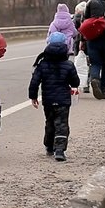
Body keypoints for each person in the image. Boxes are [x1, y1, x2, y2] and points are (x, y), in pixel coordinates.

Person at [28, 32, 80, 162]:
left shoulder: (42, 64)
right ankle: (60, 150)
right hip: (63, 101)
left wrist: (33, 96)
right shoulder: (68, 65)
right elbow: (75, 82)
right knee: (62, 124)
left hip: (48, 100)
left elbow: (34, 82)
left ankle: (49, 146)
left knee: (50, 122)